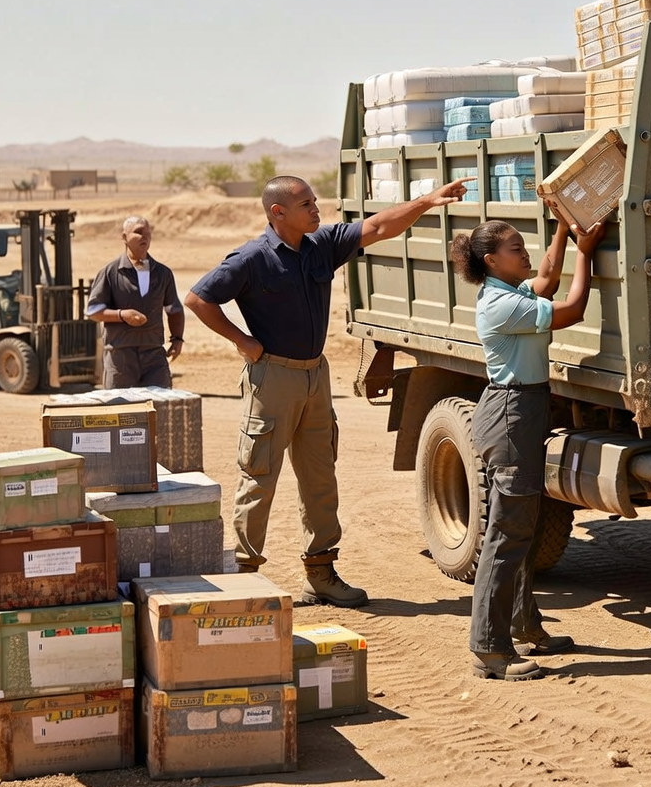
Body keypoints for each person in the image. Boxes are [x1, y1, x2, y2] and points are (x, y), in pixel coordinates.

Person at [184, 173, 471, 607]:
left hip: (315, 377)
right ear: (278, 212)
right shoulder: (251, 259)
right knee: (259, 477)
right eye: (306, 205)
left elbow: (379, 226)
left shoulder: (321, 244)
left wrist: (427, 201)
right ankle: (244, 575)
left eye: (315, 202)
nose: (317, 209)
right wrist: (242, 341)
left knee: (320, 478)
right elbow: (198, 299)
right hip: (273, 378)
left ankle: (320, 574)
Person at [451, 210, 605, 681]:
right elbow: (573, 309)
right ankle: (489, 648)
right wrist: (586, 252)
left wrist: (563, 228)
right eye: (516, 248)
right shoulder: (502, 305)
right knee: (506, 534)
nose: (526, 254)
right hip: (512, 414)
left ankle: (522, 624)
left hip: (523, 408)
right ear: (491, 259)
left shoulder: (509, 291)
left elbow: (549, 278)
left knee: (524, 528)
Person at [87, 215, 185, 389]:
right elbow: (93, 311)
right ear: (124, 237)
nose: (144, 237)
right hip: (120, 356)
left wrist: (177, 339)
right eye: (139, 232)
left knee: (159, 402)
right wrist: (122, 315)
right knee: (120, 404)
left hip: (154, 355)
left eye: (148, 233)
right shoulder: (111, 272)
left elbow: (174, 309)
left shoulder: (163, 273)